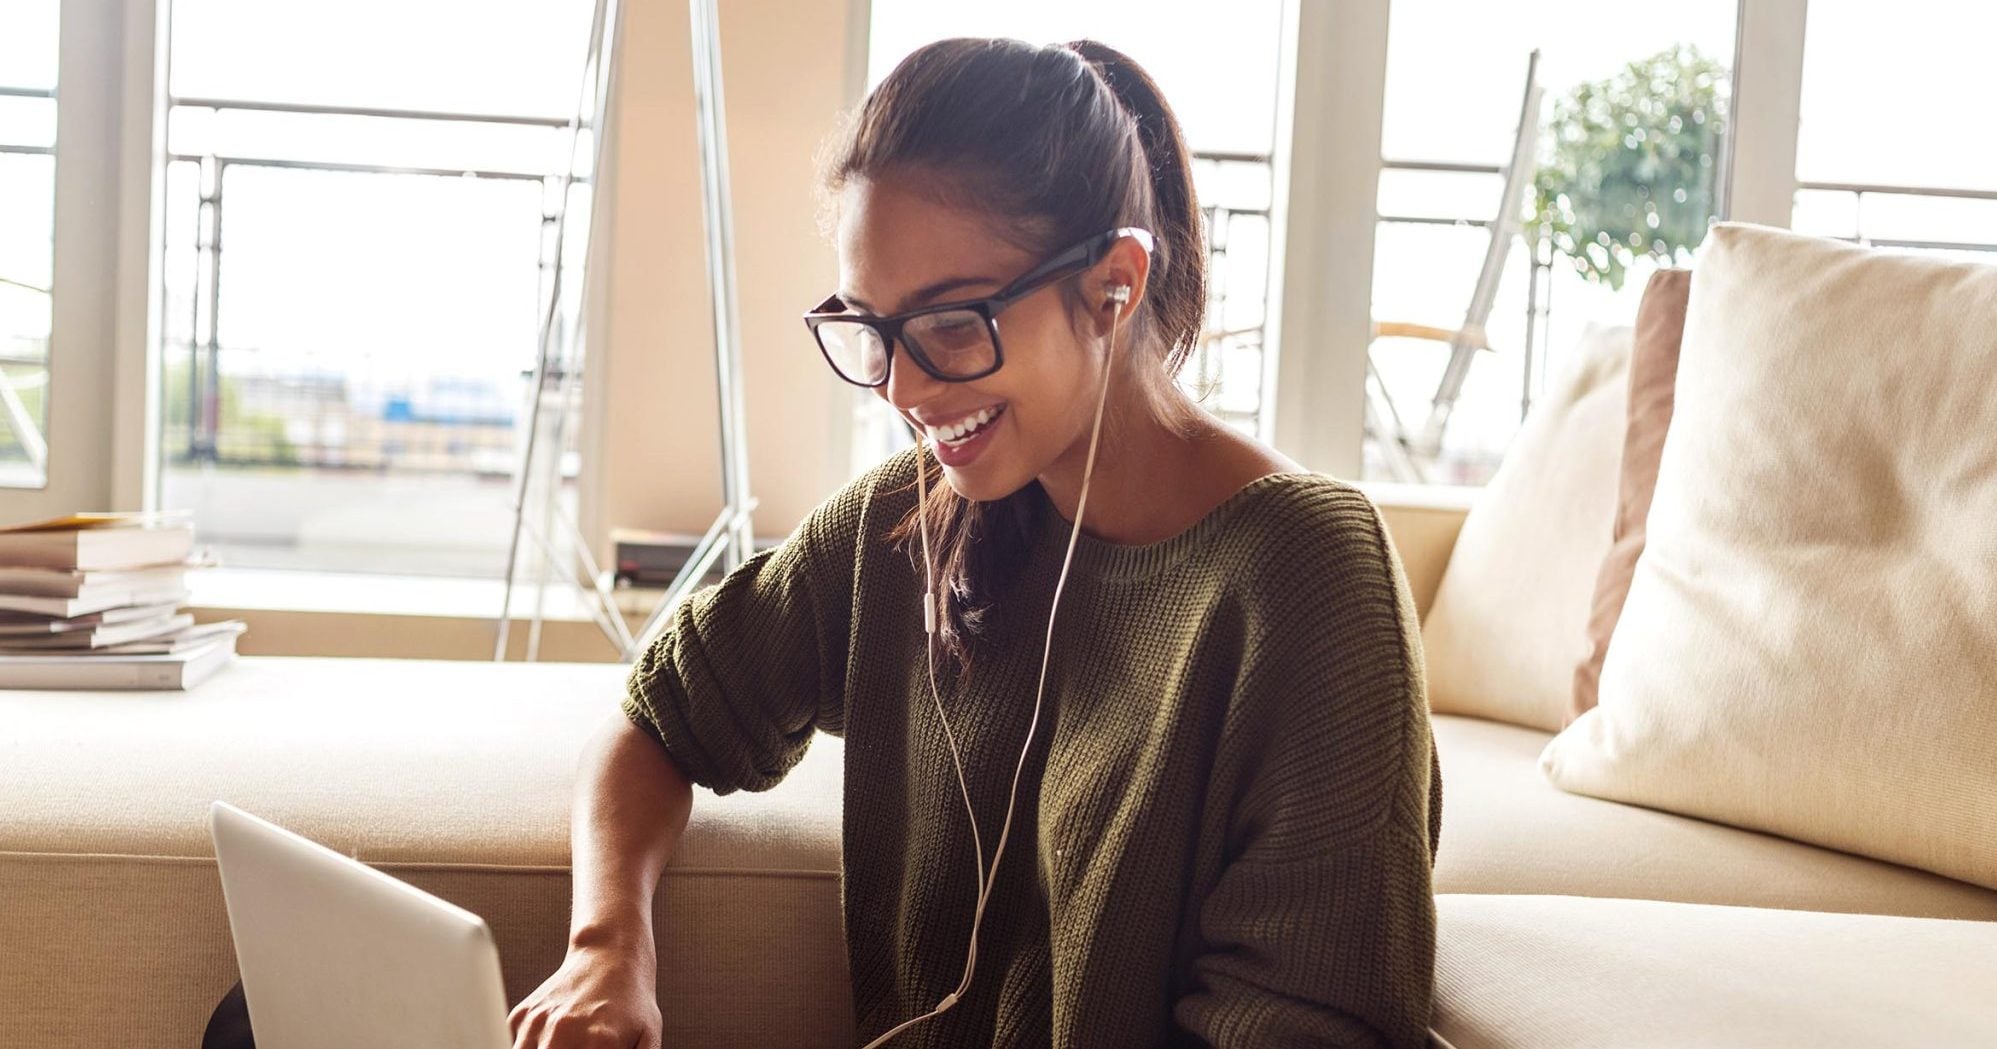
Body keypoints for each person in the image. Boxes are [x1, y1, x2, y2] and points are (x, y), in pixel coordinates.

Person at [507, 36, 1439, 1049]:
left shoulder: (1307, 579)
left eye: (952, 324)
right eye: (871, 328)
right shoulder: (904, 522)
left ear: (1113, 283)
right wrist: (605, 949)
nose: (904, 390)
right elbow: (657, 720)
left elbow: (1305, 1020)